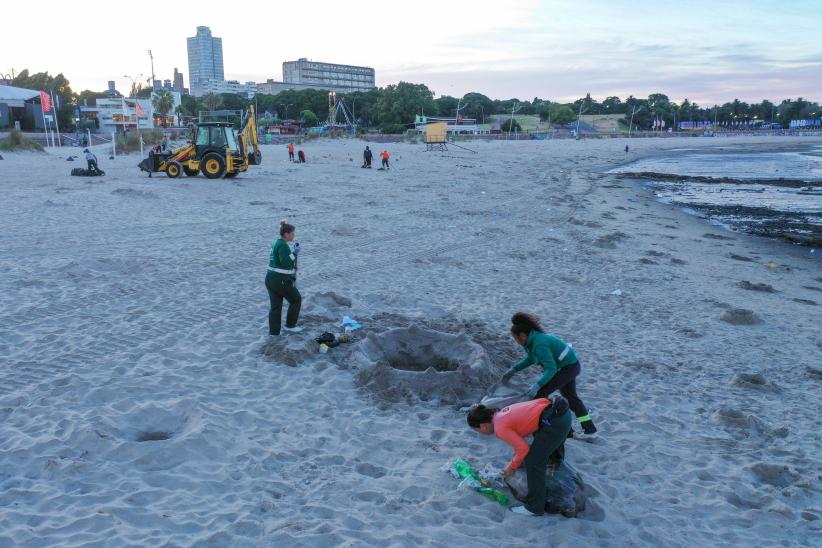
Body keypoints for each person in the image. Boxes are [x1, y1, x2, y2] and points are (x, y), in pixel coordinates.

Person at [468, 396, 572, 516]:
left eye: (478, 430)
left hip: (554, 421)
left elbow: (523, 449)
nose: (482, 433)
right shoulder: (501, 414)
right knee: (544, 453)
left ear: (483, 426)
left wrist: (511, 467)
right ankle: (561, 479)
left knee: (533, 461)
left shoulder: (499, 428)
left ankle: (534, 507)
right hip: (561, 413)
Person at [502, 312, 597, 437]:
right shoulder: (531, 341)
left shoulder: (539, 343)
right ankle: (589, 431)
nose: (516, 341)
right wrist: (514, 370)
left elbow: (551, 369)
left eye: (516, 338)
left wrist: (537, 385)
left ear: (523, 335)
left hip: (567, 368)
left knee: (540, 396)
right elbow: (531, 358)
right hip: (570, 365)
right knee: (572, 399)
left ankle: (553, 429)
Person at [265, 220, 302, 335]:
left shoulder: (276, 243)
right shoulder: (283, 245)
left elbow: (282, 261)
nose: (293, 235)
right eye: (292, 233)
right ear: (286, 234)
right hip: (280, 280)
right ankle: (290, 326)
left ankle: (274, 333)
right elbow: (285, 261)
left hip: (270, 279)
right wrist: (295, 252)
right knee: (296, 300)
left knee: (275, 307)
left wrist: (294, 257)